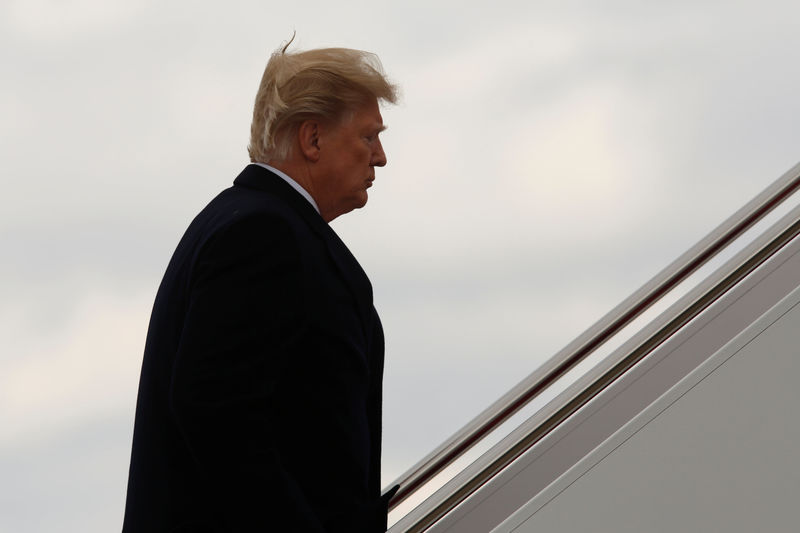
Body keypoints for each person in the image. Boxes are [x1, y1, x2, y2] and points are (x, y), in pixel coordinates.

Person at [122, 42, 398, 532]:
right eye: (369, 136)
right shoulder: (261, 235)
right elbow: (215, 415)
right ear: (312, 138)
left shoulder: (247, 222)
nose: (380, 157)